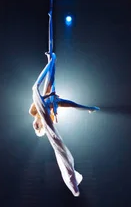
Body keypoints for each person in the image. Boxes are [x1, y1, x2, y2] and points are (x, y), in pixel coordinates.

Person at [30, 52, 99, 196]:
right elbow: (71, 104)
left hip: (44, 105)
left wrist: (51, 61)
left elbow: (49, 82)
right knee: (58, 146)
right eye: (38, 126)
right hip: (47, 114)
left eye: (36, 125)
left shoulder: (36, 110)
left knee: (41, 87)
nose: (36, 124)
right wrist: (88, 108)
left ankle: (52, 60)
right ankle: (72, 182)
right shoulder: (49, 113)